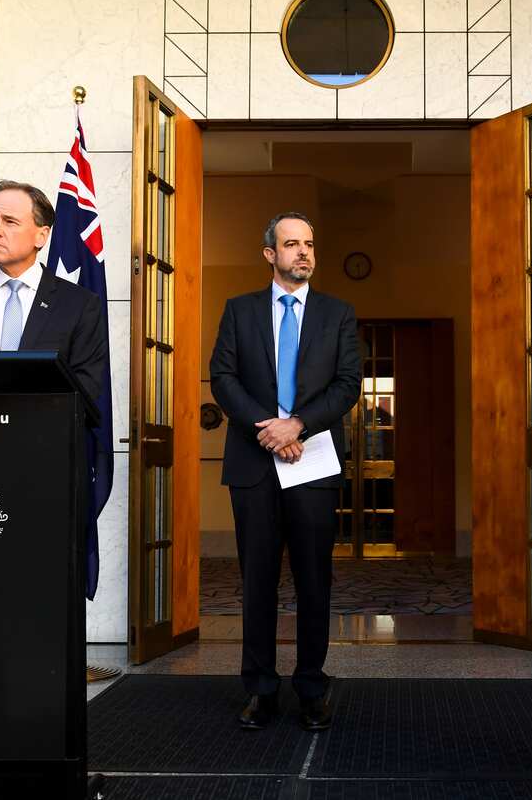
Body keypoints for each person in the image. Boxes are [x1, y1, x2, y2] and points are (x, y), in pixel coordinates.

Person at [209, 212, 361, 732]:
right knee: (258, 583)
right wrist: (267, 428)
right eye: (292, 244)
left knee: (315, 580)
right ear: (270, 254)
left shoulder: (338, 314)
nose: (304, 253)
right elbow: (223, 377)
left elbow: (347, 387)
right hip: (255, 465)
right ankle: (261, 691)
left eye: (310, 244)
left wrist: (296, 425)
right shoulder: (239, 311)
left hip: (314, 464)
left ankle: (313, 688)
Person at [0, 180, 108, 402]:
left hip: (46, 434)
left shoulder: (79, 305)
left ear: (41, 236)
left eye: (9, 222)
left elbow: (86, 391)